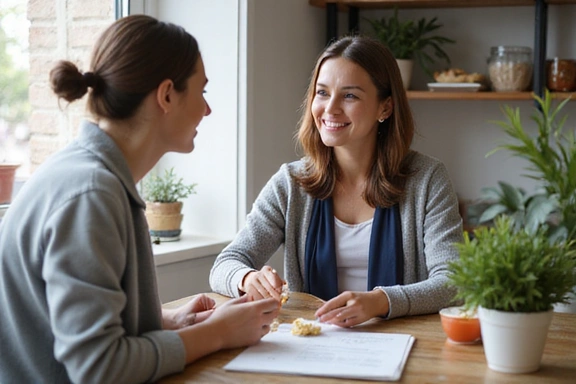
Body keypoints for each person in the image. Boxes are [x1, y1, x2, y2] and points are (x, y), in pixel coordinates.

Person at [0, 14, 279, 384]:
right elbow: (99, 368)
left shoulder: (93, 178)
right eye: (202, 92)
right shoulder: (91, 195)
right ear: (166, 95)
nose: (207, 110)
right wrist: (217, 333)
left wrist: (168, 322)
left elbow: (64, 322)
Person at [209, 35, 463, 327]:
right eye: (322, 92)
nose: (330, 109)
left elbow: (453, 282)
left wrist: (380, 301)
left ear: (386, 108)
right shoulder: (291, 183)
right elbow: (225, 264)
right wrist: (247, 278)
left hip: (401, 342)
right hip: (314, 343)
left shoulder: (428, 179)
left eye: (350, 95)